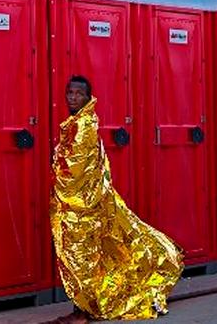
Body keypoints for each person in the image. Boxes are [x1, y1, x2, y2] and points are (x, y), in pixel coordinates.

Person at [50, 75, 184, 321]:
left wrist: (58, 161)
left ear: (88, 97)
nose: (73, 97)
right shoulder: (76, 122)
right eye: (70, 93)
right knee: (83, 257)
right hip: (81, 205)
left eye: (79, 94)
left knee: (82, 257)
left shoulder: (84, 125)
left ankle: (84, 310)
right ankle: (84, 307)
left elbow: (75, 167)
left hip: (82, 208)